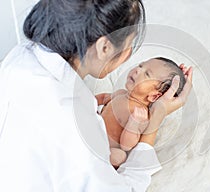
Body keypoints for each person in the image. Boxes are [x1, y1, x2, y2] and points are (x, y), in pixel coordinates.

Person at [0, 0, 193, 192]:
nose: (130, 58)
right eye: (129, 44)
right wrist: (155, 121)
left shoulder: (20, 57)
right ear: (104, 48)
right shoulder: (73, 124)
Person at [96, 57, 186, 168]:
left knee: (120, 156)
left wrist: (133, 123)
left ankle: (97, 162)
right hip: (93, 128)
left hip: (107, 148)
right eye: (140, 65)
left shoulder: (142, 116)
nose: (138, 70)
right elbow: (103, 98)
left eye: (147, 74)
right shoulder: (121, 93)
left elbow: (126, 146)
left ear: (154, 95)